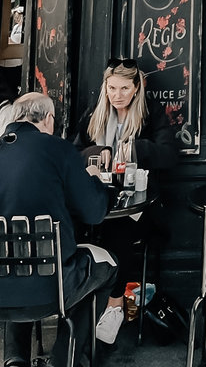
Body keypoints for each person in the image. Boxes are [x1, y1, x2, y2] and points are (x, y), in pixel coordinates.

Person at [0, 92, 116, 367]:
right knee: (107, 266)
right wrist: (99, 185)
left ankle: (15, 359)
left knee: (13, 253)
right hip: (48, 289)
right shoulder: (58, 149)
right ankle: (62, 359)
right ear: (48, 119)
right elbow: (94, 213)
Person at [73, 58, 176, 344]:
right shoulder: (95, 114)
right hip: (98, 199)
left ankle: (115, 304)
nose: (116, 95)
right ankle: (75, 306)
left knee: (119, 229)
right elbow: (73, 152)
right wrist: (98, 149)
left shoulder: (151, 114)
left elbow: (169, 156)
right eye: (111, 88)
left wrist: (135, 148)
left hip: (139, 206)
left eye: (123, 89)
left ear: (137, 88)